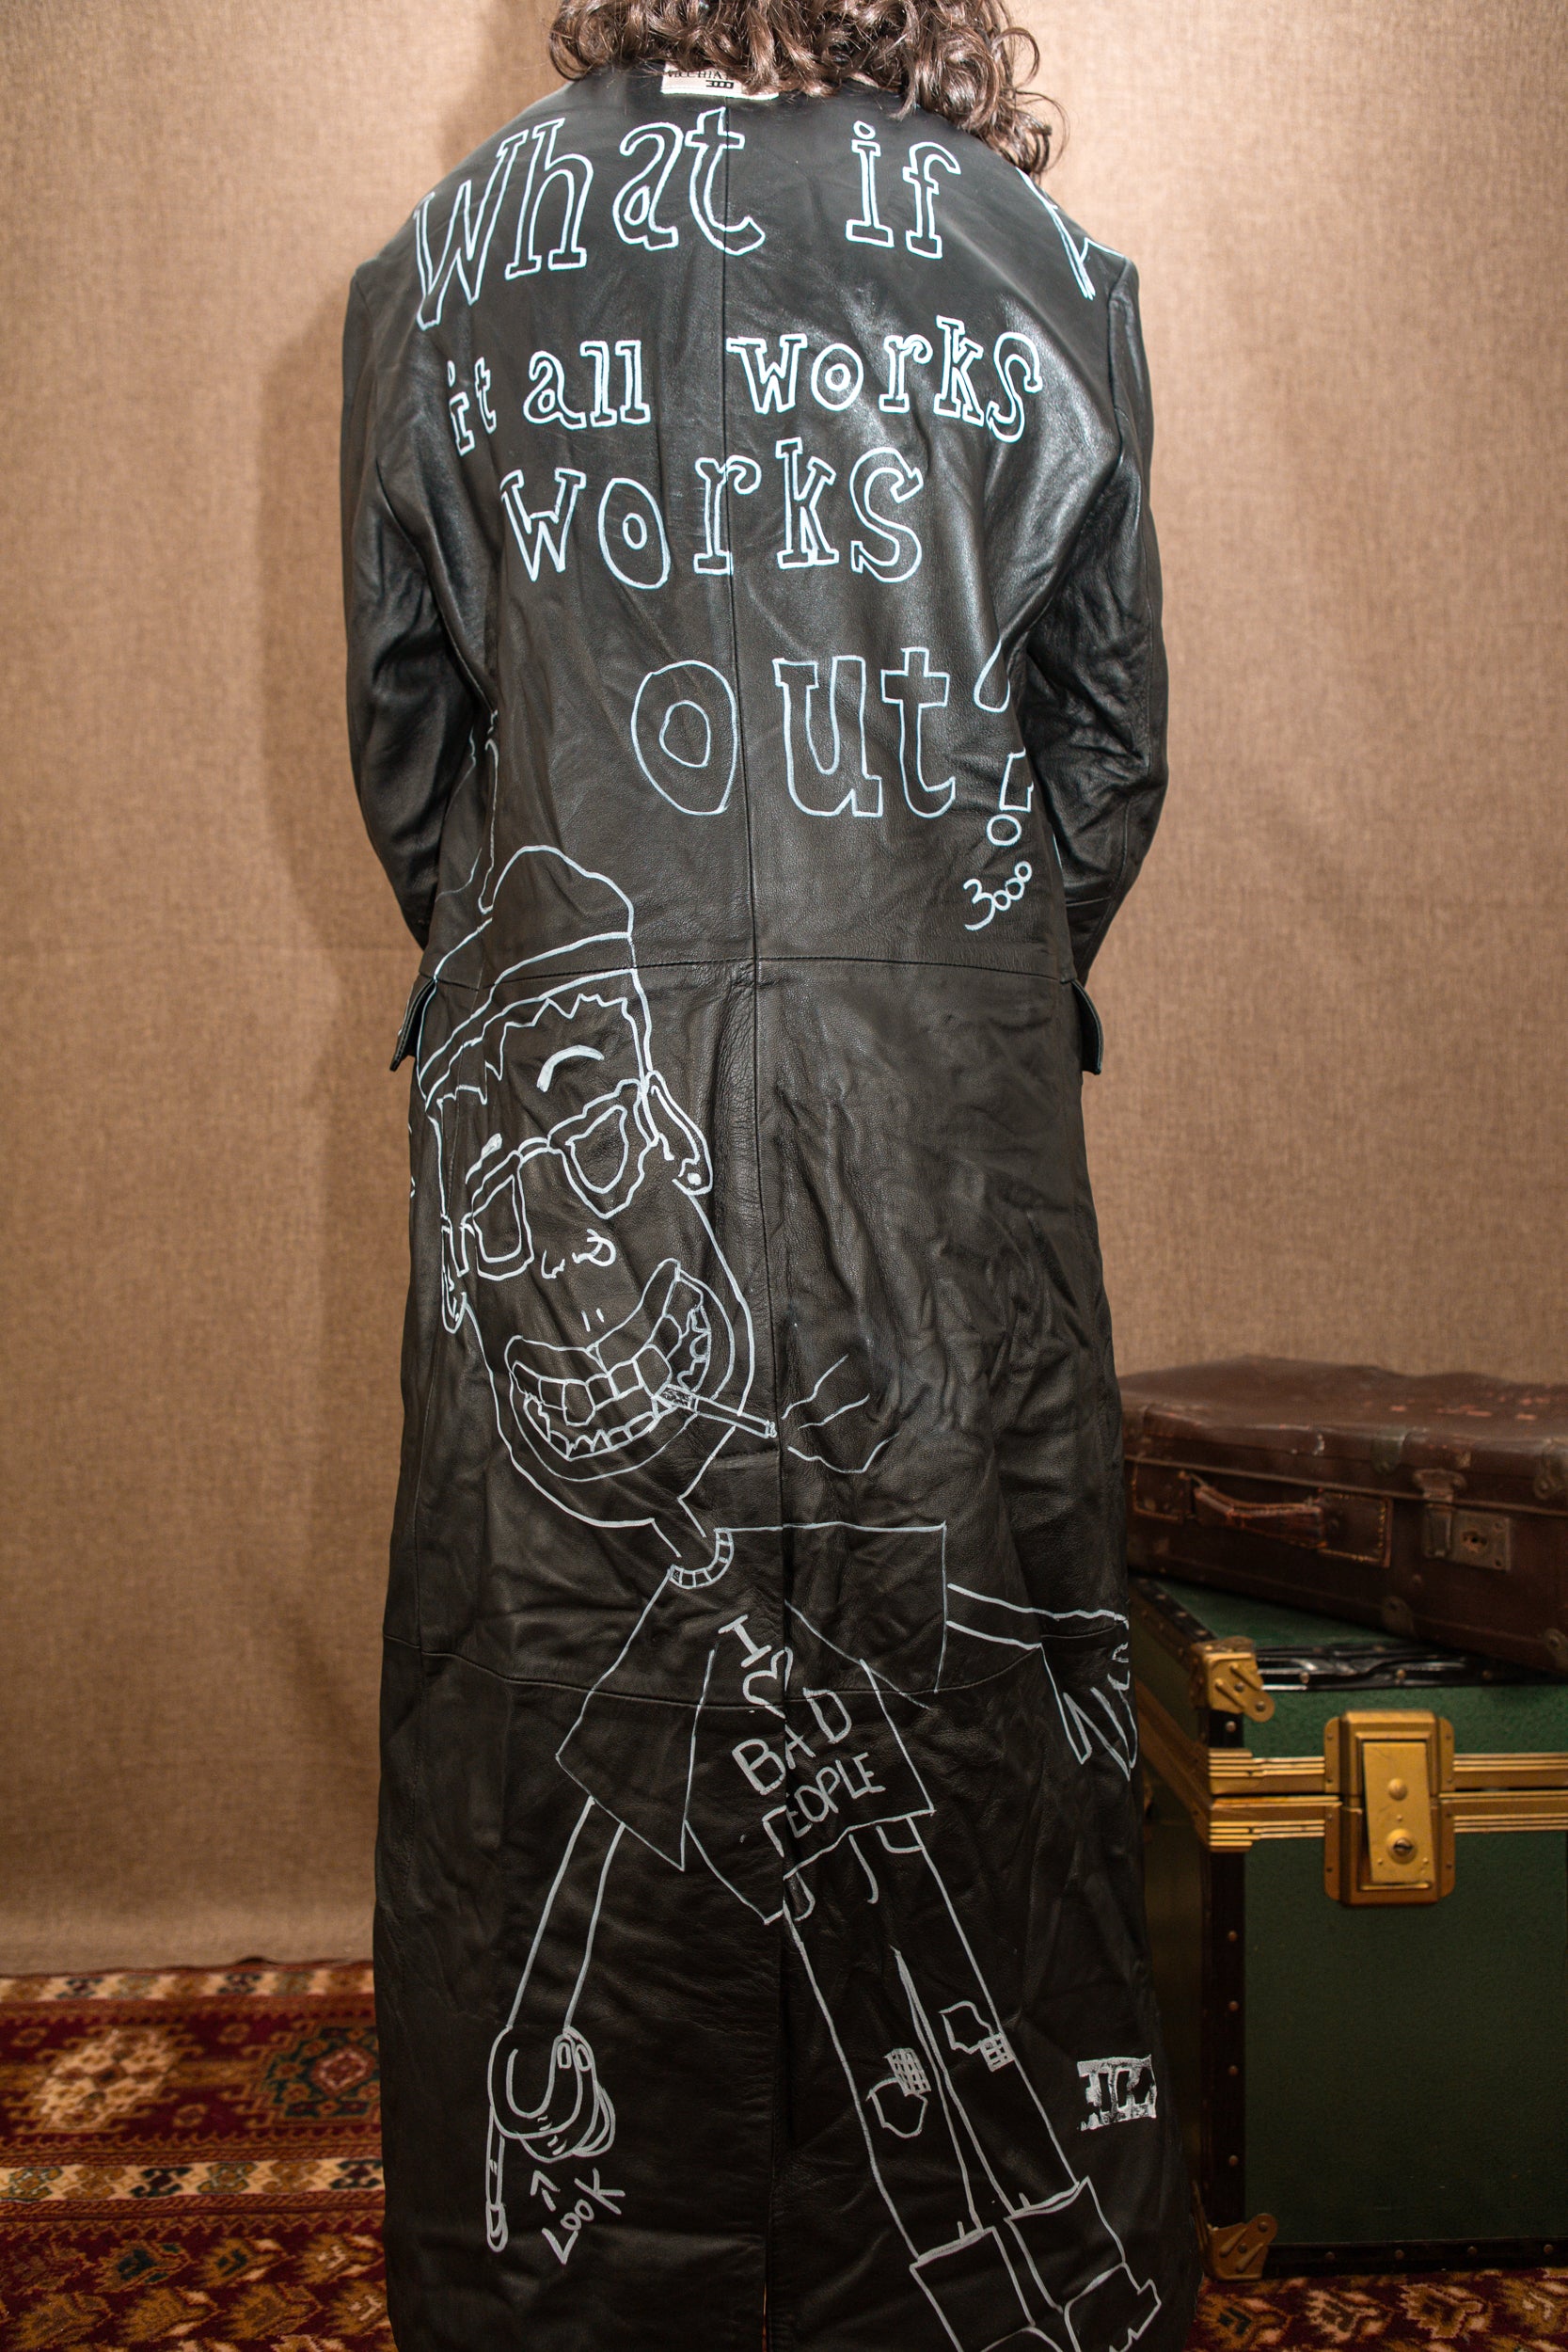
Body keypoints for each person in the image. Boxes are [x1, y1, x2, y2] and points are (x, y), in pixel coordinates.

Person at [341, 2, 1198, 2344]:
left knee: (551, 1732)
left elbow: (417, 770)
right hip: (934, 1157)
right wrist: (946, 987)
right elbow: (1105, 754)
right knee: (979, 1723)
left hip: (570, 1093)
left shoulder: (444, 269)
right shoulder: (1041, 270)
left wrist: (576, 993)